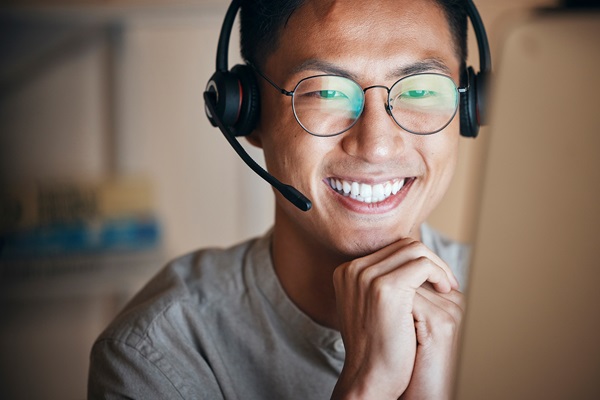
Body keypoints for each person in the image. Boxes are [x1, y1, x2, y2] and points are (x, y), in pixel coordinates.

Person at [88, 0, 475, 398]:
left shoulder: (533, 311)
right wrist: (366, 387)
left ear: (467, 105)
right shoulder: (154, 356)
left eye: (422, 89)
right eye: (326, 91)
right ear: (247, 112)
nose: (376, 146)